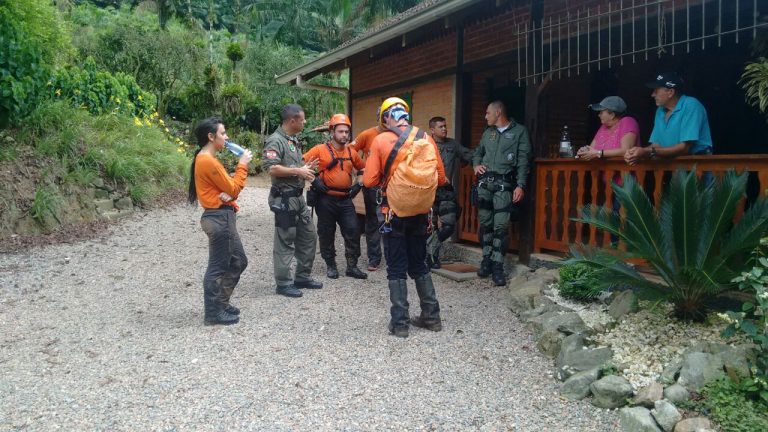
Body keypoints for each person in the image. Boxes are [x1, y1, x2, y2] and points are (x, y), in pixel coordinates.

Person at [363, 97, 448, 338]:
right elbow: (441, 179)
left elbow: (369, 181)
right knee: (419, 264)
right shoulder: (426, 138)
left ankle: (400, 323)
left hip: (394, 214)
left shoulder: (381, 140)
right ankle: (432, 317)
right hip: (421, 213)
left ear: (387, 117)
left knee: (396, 268)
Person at [188, 117, 253, 326]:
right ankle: (213, 313)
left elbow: (228, 189)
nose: (226, 137)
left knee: (238, 261)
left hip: (222, 215)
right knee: (217, 267)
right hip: (218, 218)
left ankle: (221, 304)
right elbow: (233, 188)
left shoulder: (207, 159)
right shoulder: (207, 160)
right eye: (223, 133)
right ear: (211, 136)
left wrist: (230, 194)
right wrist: (242, 165)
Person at [262, 104, 323, 298]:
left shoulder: (292, 140)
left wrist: (304, 168)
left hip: (298, 198)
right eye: (303, 119)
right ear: (292, 120)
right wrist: (298, 171)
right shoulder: (275, 140)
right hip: (285, 200)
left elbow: (289, 166)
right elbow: (271, 168)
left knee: (309, 236)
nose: (305, 122)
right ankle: (283, 283)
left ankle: (302, 277)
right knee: (285, 240)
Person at [472, 100, 532, 286]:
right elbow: (477, 153)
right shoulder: (487, 133)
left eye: (488, 112)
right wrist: (476, 165)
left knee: (500, 227)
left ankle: (498, 266)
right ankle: (486, 261)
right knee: (486, 224)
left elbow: (523, 161)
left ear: (498, 112)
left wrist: (520, 185)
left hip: (504, 186)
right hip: (484, 185)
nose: (485, 116)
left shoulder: (519, 132)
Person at [303, 114, 367, 280]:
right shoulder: (319, 150)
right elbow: (302, 166)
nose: (344, 135)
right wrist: (314, 180)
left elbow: (363, 169)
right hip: (325, 199)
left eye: (346, 132)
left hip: (346, 199)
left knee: (353, 230)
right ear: (332, 132)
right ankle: (331, 265)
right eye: (340, 131)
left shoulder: (352, 152)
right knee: (326, 232)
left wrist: (358, 184)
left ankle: (352, 266)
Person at [625, 73, 713, 165]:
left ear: (670, 92)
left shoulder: (691, 105)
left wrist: (646, 152)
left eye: (656, 91)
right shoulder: (660, 110)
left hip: (698, 162)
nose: (652, 95)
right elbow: (657, 145)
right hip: (675, 163)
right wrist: (636, 152)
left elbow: (684, 147)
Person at [426, 116, 474, 269]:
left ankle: (430, 249)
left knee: (449, 225)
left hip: (446, 191)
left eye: (445, 126)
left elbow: (469, 155)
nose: (444, 129)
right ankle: (430, 257)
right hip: (428, 191)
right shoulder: (425, 144)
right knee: (430, 226)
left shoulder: (453, 144)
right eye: (440, 126)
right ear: (432, 130)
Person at [350, 123, 386, 272]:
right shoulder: (367, 134)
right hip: (373, 186)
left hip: (395, 185)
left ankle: (397, 257)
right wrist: (359, 172)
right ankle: (374, 258)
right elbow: (350, 151)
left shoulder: (400, 135)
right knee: (373, 222)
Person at [577, 96, 639, 161]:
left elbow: (626, 150)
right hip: (603, 169)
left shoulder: (628, 121)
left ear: (612, 115)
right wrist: (585, 151)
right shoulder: (604, 126)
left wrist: (599, 153)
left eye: (601, 112)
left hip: (623, 169)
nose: (599, 115)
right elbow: (592, 149)